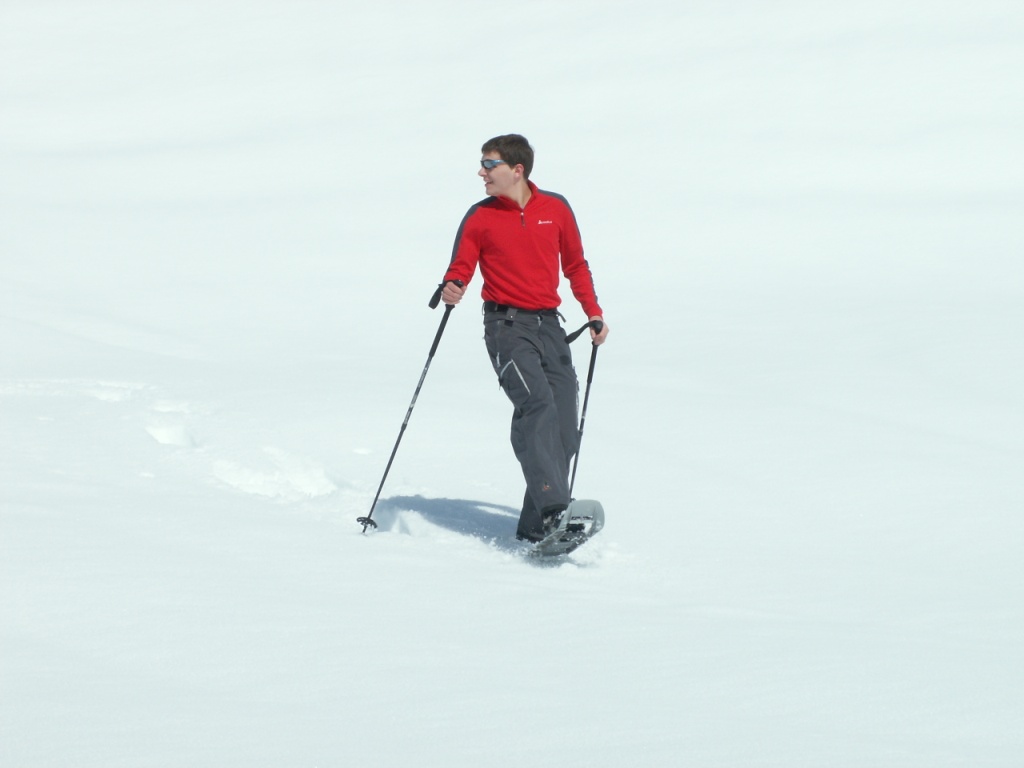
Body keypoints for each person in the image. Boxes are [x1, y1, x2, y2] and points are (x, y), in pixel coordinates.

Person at [439, 134, 609, 542]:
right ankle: (554, 512)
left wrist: (593, 312)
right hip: (506, 327)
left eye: (489, 164)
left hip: (549, 326)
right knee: (537, 406)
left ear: (517, 170)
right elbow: (460, 266)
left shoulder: (556, 208)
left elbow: (575, 264)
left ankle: (536, 528)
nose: (481, 172)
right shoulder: (480, 216)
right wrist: (453, 285)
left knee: (565, 427)